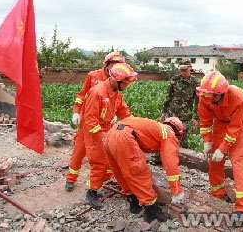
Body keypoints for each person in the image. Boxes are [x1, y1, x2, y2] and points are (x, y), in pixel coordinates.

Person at [68, 63, 137, 209]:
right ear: (116, 80)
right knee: (99, 161)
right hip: (94, 130)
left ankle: (104, 180)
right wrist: (103, 138)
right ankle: (92, 192)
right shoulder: (97, 92)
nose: (127, 86)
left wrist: (135, 125)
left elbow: (123, 111)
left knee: (110, 159)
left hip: (106, 128)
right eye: (125, 83)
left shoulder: (116, 92)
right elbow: (90, 120)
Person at [197, 71, 243, 224]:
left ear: (222, 93)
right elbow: (206, 122)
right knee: (213, 159)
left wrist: (223, 149)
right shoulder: (205, 96)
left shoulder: (238, 99)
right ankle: (217, 191)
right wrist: (207, 143)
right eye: (206, 96)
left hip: (239, 123)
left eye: (212, 97)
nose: (208, 99)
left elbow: (234, 129)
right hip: (220, 123)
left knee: (239, 161)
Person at [104, 116, 184, 223]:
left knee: (122, 171)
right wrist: (176, 191)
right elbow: (171, 165)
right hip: (124, 137)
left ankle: (134, 203)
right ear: (178, 132)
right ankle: (152, 212)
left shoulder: (156, 128)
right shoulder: (170, 134)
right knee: (138, 172)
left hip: (110, 134)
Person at [65, 51, 125, 191]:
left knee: (108, 151)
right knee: (80, 150)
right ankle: (71, 179)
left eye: (119, 65)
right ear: (107, 64)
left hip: (106, 123)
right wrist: (76, 112)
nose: (116, 67)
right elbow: (82, 95)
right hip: (89, 121)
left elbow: (118, 101)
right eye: (114, 64)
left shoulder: (118, 80)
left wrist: (114, 113)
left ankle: (107, 178)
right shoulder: (93, 76)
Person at [160, 59, 200, 148]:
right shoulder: (175, 79)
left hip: (185, 116)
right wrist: (164, 112)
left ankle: (182, 160)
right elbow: (168, 96)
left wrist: (196, 118)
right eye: (181, 69)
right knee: (167, 136)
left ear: (190, 68)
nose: (183, 71)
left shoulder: (196, 82)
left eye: (185, 69)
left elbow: (198, 102)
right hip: (171, 114)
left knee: (183, 140)